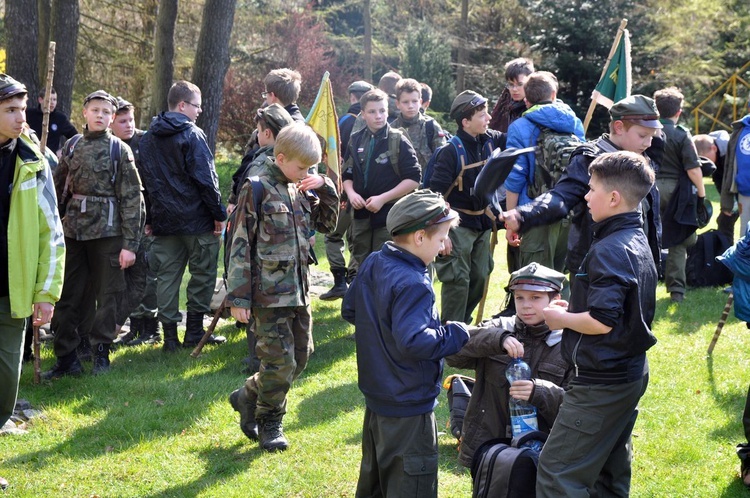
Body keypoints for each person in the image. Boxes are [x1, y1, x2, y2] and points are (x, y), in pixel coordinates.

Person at [536, 150, 657, 497]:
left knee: (558, 474)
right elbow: (619, 308)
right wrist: (575, 306)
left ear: (614, 197)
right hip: (628, 372)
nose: (586, 197)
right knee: (608, 471)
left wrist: (560, 318)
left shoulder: (611, 248)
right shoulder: (634, 237)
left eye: (592, 189)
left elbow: (602, 322)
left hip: (602, 381)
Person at [342, 189, 470, 497]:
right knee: (411, 487)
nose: (443, 248)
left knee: (375, 483)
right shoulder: (415, 283)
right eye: (441, 239)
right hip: (410, 408)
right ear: (419, 237)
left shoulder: (375, 260)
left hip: (379, 402)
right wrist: (455, 333)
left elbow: (350, 309)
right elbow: (414, 341)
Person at [226, 123, 339, 451]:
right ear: (280, 157)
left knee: (301, 356)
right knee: (279, 362)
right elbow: (239, 244)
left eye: (312, 168)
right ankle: (269, 421)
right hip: (268, 294)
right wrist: (238, 296)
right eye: (303, 167)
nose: (308, 172)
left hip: (300, 291)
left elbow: (328, 226)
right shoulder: (256, 188)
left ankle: (248, 394)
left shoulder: (301, 187)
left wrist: (327, 187)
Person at [502, 95, 663, 288]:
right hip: (597, 268)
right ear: (619, 127)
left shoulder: (641, 159)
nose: (649, 143)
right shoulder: (589, 159)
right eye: (642, 136)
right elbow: (561, 196)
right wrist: (523, 215)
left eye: (652, 136)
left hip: (636, 262)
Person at [44, 90, 145, 378]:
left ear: (112, 118)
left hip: (109, 235)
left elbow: (132, 199)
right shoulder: (73, 145)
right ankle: (66, 357)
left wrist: (130, 245)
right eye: (95, 110)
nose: (100, 115)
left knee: (108, 295)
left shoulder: (119, 150)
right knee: (68, 295)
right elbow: (56, 189)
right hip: (74, 233)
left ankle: (101, 352)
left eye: (106, 112)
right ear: (84, 113)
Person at [0, 74, 65, 490]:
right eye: (11, 109)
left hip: (12, 292)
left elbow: (51, 232)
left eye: (23, 109)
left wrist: (47, 293)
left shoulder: (32, 161)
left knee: (6, 381)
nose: (21, 117)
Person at [445, 262, 573, 468]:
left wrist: (540, 391)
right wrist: (498, 340)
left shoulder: (569, 343)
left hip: (544, 450)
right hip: (488, 446)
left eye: (536, 298)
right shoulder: (498, 329)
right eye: (519, 297)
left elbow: (578, 406)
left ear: (556, 300)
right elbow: (453, 353)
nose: (526, 305)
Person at [138, 81, 227, 352]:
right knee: (202, 274)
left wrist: (150, 218)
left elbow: (146, 182)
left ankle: (169, 340)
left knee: (166, 277)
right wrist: (219, 213)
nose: (200, 111)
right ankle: (195, 333)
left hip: (164, 221)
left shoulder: (147, 138)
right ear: (182, 105)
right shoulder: (193, 134)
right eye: (197, 106)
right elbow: (206, 180)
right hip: (198, 220)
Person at [429, 90, 506, 323]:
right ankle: (450, 333)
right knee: (457, 279)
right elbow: (434, 195)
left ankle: (461, 324)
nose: (489, 118)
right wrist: (441, 234)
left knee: (481, 275)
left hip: (481, 222)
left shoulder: (489, 140)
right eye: (482, 115)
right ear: (465, 122)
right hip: (455, 225)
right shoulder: (449, 152)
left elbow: (519, 136)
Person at [503, 71, 584, 274]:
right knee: (559, 278)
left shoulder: (519, 127)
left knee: (533, 279)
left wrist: (512, 220)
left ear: (526, 99)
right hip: (568, 209)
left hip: (533, 213)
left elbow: (515, 178)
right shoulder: (574, 123)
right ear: (554, 94)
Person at [342, 89, 421, 266]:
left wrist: (382, 199)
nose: (378, 116)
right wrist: (351, 194)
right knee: (359, 266)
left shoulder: (398, 140)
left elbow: (414, 178)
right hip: (360, 217)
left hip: (389, 216)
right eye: (372, 112)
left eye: (382, 111)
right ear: (362, 114)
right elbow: (346, 174)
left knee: (384, 266)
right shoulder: (355, 139)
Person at [109, 96, 160, 347]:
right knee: (128, 279)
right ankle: (135, 327)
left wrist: (151, 220)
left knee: (147, 277)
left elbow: (153, 185)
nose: (129, 125)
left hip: (147, 221)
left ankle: (151, 329)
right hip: (119, 222)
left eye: (131, 119)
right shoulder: (109, 146)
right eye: (122, 121)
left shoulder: (145, 142)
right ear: (111, 123)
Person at [319, 81, 373, 301]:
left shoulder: (342, 122)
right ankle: (354, 280)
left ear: (352, 97)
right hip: (367, 194)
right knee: (357, 239)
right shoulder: (374, 124)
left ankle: (340, 281)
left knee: (333, 236)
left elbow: (331, 153)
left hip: (342, 189)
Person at [653, 87, 705, 303]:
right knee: (678, 238)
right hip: (677, 192)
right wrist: (701, 195)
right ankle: (676, 291)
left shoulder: (649, 131)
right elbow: (693, 169)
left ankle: (644, 283)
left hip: (649, 187)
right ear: (679, 112)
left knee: (646, 237)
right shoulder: (682, 134)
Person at [391, 78, 447, 169]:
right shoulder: (391, 130)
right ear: (397, 103)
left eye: (414, 101)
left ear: (420, 102)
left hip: (427, 181)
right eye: (405, 102)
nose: (410, 106)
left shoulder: (430, 127)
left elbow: (444, 159)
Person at [694, 131, 738, 240]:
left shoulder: (733, 152)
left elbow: (732, 180)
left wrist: (729, 206)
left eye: (705, 158)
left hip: (743, 189)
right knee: (724, 222)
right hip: (732, 193)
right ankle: (725, 252)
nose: (705, 163)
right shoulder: (715, 157)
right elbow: (719, 181)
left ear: (714, 148)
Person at [720, 104, 750, 237]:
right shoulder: (739, 130)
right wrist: (726, 202)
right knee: (745, 238)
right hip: (744, 194)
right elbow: (729, 167)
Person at [25, 87, 78, 153]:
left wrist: (63, 151)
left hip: (51, 160)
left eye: (54, 100)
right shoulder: (29, 114)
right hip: (30, 156)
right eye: (49, 100)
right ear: (40, 100)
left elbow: (76, 137)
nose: (52, 102)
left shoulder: (60, 118)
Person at [489, 57, 535, 133]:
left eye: (520, 84)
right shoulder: (503, 105)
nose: (514, 89)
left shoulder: (537, 107)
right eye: (511, 84)